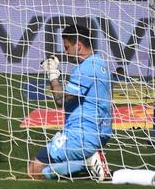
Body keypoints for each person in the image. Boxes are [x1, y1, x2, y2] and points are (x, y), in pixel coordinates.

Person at [28, 24, 112, 181]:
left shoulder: (85, 69)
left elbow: (60, 101)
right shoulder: (101, 63)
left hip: (81, 135)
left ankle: (87, 162)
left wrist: (52, 74)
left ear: (78, 46)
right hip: (101, 133)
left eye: (67, 47)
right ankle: (89, 160)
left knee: (34, 170)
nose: (65, 52)